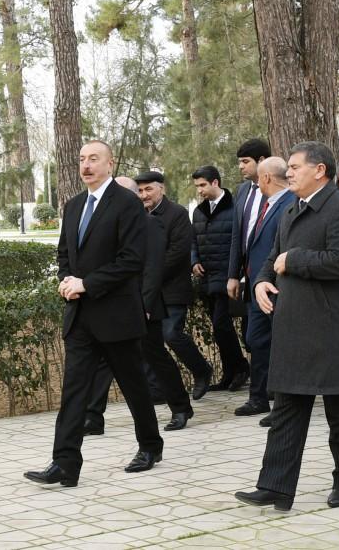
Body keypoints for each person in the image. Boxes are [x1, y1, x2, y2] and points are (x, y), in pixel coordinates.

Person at [235, 142, 339, 512]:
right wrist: (261, 280)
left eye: (294, 167)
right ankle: (275, 486)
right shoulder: (291, 209)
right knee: (286, 412)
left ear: (320, 171)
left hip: (332, 329)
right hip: (292, 327)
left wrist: (295, 260)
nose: (288, 173)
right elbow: (272, 258)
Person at [25, 141, 162, 488]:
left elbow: (132, 260)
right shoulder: (72, 206)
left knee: (134, 387)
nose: (86, 165)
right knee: (74, 391)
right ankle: (64, 463)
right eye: (82, 159)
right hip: (81, 316)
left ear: (110, 163)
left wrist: (87, 283)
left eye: (94, 159)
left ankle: (150, 445)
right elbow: (64, 254)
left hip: (116, 315)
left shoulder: (127, 203)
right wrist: (66, 281)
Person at [84, 177, 195, 435]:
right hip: (111, 304)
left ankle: (180, 407)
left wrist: (143, 306)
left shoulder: (151, 225)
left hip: (144, 306)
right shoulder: (108, 224)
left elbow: (153, 271)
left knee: (154, 357)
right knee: (104, 359)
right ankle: (93, 417)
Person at [135, 171, 212, 400]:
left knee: (171, 334)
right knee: (149, 342)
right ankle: (159, 389)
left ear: (162, 189)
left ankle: (202, 370)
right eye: (140, 190)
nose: (144, 195)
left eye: (149, 189)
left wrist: (151, 273)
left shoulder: (177, 213)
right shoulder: (138, 215)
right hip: (146, 292)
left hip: (172, 289)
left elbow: (178, 253)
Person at [235, 157, 294, 421]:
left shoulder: (288, 205)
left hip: (279, 287)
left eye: (259, 178)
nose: (256, 183)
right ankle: (258, 397)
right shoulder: (268, 204)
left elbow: (281, 248)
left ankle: (282, 404)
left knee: (280, 346)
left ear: (267, 177)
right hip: (258, 287)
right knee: (256, 340)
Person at [191, 166, 250, 393]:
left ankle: (242, 368)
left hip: (227, 276)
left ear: (215, 183)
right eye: (197, 186)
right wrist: (194, 260)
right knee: (218, 328)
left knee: (221, 325)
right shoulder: (198, 211)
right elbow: (193, 241)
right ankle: (229, 373)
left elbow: (239, 243)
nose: (200, 190)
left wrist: (235, 273)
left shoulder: (235, 207)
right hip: (207, 277)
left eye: (203, 185)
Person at [224, 138, 272, 388]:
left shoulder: (280, 192)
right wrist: (233, 274)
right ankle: (261, 392)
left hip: (273, 277)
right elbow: (237, 236)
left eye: (245, 162)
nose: (241, 167)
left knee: (267, 337)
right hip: (249, 278)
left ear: (262, 161)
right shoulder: (242, 191)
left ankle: (271, 390)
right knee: (253, 337)